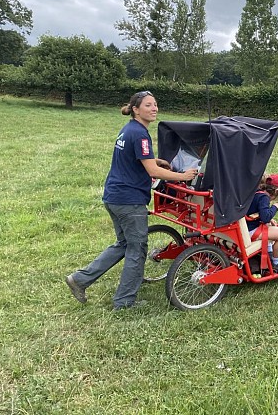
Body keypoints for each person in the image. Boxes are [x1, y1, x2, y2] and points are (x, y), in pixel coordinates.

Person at [65, 91, 198, 310]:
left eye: (155, 104)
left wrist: (152, 159)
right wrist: (183, 176)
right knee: (137, 248)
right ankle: (125, 302)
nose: (154, 108)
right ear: (136, 109)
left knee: (124, 244)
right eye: (148, 105)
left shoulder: (129, 130)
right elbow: (153, 171)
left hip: (114, 196)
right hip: (129, 200)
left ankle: (79, 279)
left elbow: (134, 158)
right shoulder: (140, 134)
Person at [245, 174, 278, 274]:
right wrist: (275, 207)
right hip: (250, 231)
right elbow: (265, 218)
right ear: (276, 191)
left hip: (246, 226)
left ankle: (269, 254)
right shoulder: (264, 197)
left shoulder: (256, 192)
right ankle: (276, 264)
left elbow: (256, 211)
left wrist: (269, 219)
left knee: (269, 226)